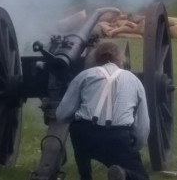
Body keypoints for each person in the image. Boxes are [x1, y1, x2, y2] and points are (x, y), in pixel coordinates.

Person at [56, 41, 150, 180]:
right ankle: (123, 174)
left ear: (95, 59)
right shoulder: (134, 80)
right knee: (141, 177)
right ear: (121, 59)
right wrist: (134, 147)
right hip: (117, 138)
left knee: (79, 137)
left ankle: (85, 176)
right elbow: (143, 126)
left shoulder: (84, 75)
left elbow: (62, 114)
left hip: (85, 134)